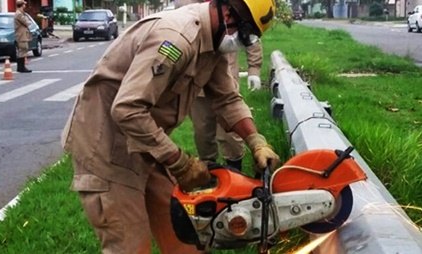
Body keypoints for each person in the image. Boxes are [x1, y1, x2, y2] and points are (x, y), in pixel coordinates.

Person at [61, 0, 279, 253]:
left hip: (145, 143)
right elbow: (127, 109)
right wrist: (180, 163)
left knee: (186, 236)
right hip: (107, 147)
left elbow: (226, 98)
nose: (241, 42)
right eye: (243, 33)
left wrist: (256, 141)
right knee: (130, 244)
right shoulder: (175, 40)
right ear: (227, 11)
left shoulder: (215, 43)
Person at [175, 0, 263, 171]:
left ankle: (235, 169)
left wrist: (254, 69)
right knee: (202, 131)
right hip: (196, 81)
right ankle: (210, 172)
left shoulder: (232, 4)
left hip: (225, 78)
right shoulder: (186, 4)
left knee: (231, 130)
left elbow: (250, 32)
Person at [14, 0, 32, 73]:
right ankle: (21, 67)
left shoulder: (21, 13)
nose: (25, 6)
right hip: (21, 35)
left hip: (22, 34)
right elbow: (27, 22)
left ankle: (21, 67)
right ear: (21, 5)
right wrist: (27, 19)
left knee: (23, 50)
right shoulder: (19, 14)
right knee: (23, 50)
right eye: (24, 4)